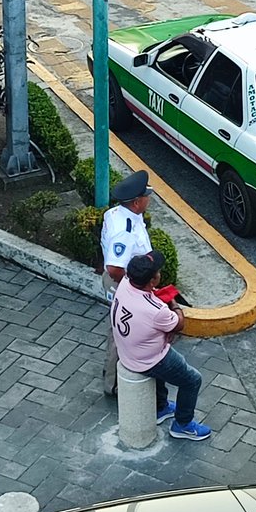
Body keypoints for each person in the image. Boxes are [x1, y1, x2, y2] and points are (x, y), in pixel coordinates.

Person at [111, 250, 211, 441]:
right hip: (148, 360)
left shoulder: (125, 283)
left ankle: (161, 407)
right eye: (157, 272)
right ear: (152, 281)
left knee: (164, 374)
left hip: (127, 352)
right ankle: (183, 424)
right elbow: (179, 323)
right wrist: (174, 303)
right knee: (192, 380)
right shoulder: (157, 311)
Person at [100, 170, 154, 396]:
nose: (149, 199)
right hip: (121, 284)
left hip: (128, 281)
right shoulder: (125, 230)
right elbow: (114, 269)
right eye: (146, 196)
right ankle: (113, 383)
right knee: (120, 332)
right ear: (135, 202)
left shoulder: (120, 214)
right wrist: (136, 286)